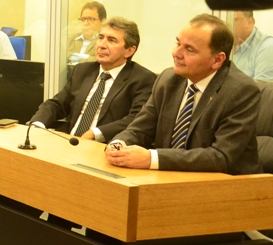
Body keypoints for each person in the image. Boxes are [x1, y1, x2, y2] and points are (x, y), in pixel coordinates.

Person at [106, 14, 259, 175]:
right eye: (178, 43)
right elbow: (139, 130)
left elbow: (220, 157)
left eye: (189, 49)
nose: (176, 53)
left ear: (217, 60)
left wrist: (151, 158)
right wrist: (119, 144)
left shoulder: (241, 91)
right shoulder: (168, 79)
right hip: (169, 177)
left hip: (228, 184)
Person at [31, 17, 155, 142]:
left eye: (112, 40)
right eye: (100, 38)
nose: (102, 45)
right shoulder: (82, 70)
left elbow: (136, 119)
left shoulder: (142, 79)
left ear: (129, 51)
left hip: (106, 146)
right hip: (70, 141)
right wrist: (38, 123)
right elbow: (56, 104)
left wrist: (95, 133)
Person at [232, 10, 273, 81]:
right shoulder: (223, 41)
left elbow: (262, 87)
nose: (226, 23)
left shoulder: (267, 47)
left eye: (233, 20)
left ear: (249, 23)